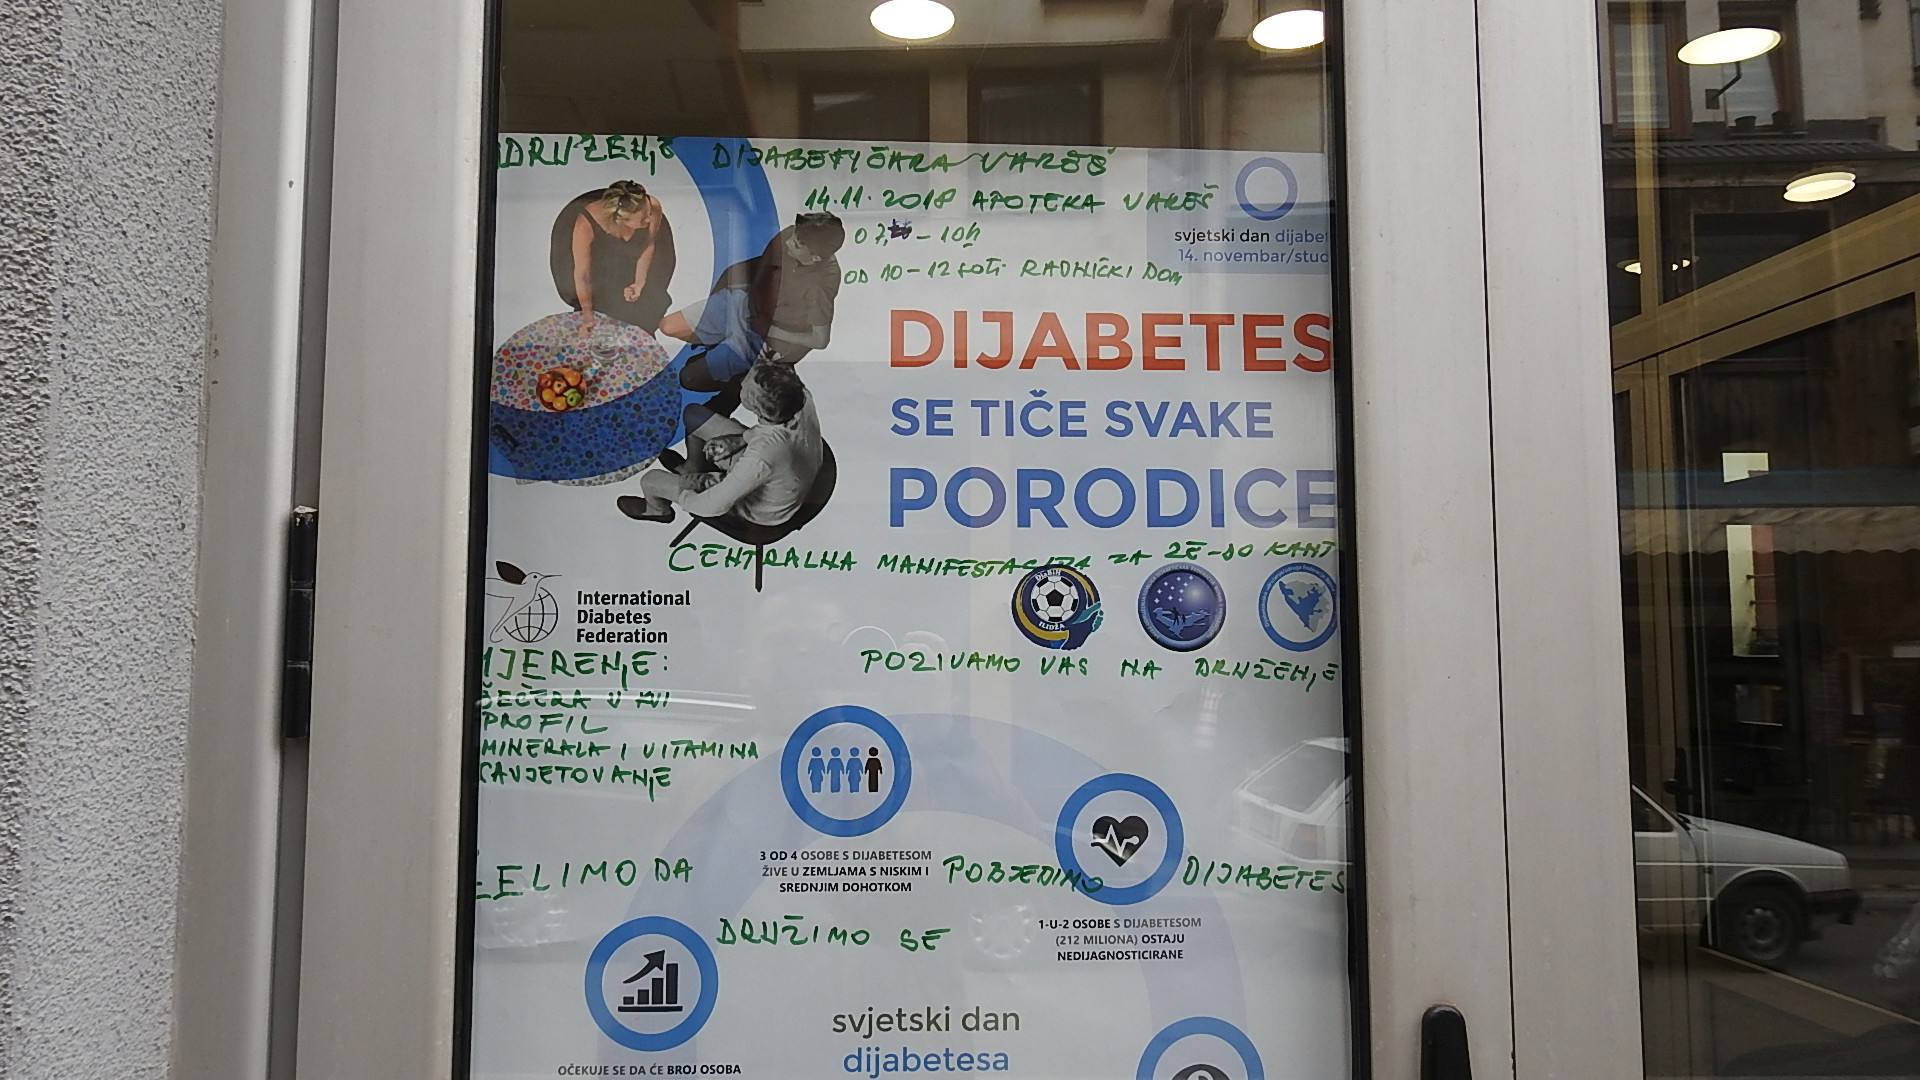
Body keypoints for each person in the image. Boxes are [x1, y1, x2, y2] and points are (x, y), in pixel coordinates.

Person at [657, 212, 845, 394]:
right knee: (668, 326)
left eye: (796, 245)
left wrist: (770, 332)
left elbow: (820, 340)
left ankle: (738, 375)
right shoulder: (793, 234)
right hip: (744, 302)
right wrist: (725, 291)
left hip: (763, 334)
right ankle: (717, 345)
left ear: (815, 258)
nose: (788, 242)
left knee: (688, 378)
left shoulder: (821, 285)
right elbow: (760, 267)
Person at [619, 363, 822, 526]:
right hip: (789, 470)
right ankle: (691, 467)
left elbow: (712, 506)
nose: (741, 381)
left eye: (744, 384)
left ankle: (657, 510)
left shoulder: (761, 456)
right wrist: (739, 439)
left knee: (651, 480)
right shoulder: (799, 396)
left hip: (763, 507)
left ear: (754, 406)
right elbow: (772, 431)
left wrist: (689, 490)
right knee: (693, 415)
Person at [549, 180, 676, 337]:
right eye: (643, 219)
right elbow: (582, 275)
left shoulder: (652, 205)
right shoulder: (585, 224)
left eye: (648, 214)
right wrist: (587, 315)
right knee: (600, 327)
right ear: (622, 218)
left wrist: (639, 283)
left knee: (644, 315)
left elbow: (648, 245)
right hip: (600, 271)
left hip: (634, 262)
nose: (649, 220)